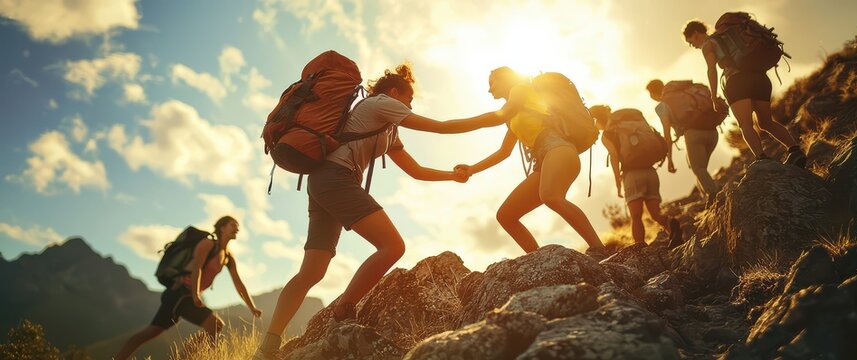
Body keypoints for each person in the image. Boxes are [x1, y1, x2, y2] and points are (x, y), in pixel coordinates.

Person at [252, 63, 502, 360]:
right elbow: (441, 127)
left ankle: (267, 349)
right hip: (336, 179)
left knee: (312, 271)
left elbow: (415, 170)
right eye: (409, 99)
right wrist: (498, 117)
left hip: (323, 182)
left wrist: (452, 175)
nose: (410, 106)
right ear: (394, 92)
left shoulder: (388, 128)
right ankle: (343, 311)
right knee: (392, 246)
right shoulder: (381, 103)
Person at [453, 67, 606, 254]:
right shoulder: (515, 117)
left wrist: (447, 126)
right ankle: (538, 260)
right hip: (544, 161)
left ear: (505, 78)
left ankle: (599, 248)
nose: (489, 89)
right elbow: (503, 152)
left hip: (559, 149)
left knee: (551, 196)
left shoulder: (520, 89)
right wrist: (471, 169)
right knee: (506, 215)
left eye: (492, 82)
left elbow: (500, 115)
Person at [115, 216, 261, 360]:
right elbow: (197, 268)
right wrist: (195, 294)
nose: (237, 228)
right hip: (181, 293)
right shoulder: (208, 244)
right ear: (222, 228)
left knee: (150, 332)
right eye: (233, 225)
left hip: (184, 296)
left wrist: (252, 307)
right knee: (214, 325)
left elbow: (238, 283)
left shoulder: (228, 257)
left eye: (237, 226)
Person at [683, 20, 807, 167]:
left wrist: (714, 97)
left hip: (737, 82)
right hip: (760, 78)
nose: (693, 46)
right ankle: (795, 150)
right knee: (766, 122)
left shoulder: (708, 45)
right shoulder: (730, 35)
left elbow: (711, 70)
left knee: (745, 124)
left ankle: (762, 160)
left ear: (695, 34)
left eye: (690, 42)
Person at [590, 105, 682, 248]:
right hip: (651, 172)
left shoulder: (607, 134)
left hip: (632, 175)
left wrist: (618, 182)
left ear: (597, 119)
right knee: (656, 214)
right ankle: (671, 225)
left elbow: (614, 157)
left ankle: (640, 249)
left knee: (636, 216)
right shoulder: (633, 124)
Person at [646, 79, 719, 204]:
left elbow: (667, 135)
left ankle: (715, 196)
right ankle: (707, 200)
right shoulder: (684, 95)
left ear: (652, 94)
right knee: (700, 169)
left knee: (698, 168)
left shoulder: (661, 106)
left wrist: (670, 159)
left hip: (693, 135)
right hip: (713, 132)